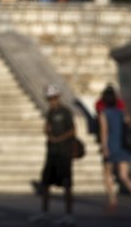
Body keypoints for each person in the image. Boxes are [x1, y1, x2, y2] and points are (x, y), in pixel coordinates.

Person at [30, 84, 76, 226]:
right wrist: (47, 131)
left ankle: (69, 214)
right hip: (52, 153)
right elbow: (48, 130)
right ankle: (44, 212)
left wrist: (59, 139)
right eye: (49, 99)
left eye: (54, 98)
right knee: (45, 184)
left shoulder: (65, 112)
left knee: (67, 185)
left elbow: (73, 131)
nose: (52, 101)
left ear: (58, 97)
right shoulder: (50, 112)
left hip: (64, 153)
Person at [98, 85, 131, 211]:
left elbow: (104, 132)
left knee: (107, 174)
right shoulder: (121, 113)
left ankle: (112, 200)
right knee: (124, 175)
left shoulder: (104, 114)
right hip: (123, 146)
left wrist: (104, 147)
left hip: (111, 146)